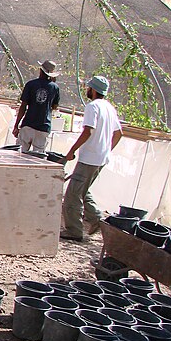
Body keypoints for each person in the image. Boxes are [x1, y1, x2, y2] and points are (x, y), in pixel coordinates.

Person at [61, 75, 122, 241]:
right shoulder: (109, 108)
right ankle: (97, 219)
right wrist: (106, 150)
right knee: (83, 190)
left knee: (72, 195)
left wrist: (72, 150)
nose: (87, 90)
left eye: (89, 87)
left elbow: (88, 130)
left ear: (93, 90)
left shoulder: (93, 106)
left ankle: (74, 230)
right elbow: (119, 133)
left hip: (89, 158)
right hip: (101, 159)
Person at [12, 60, 60, 153]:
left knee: (19, 154)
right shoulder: (55, 88)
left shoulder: (31, 84)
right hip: (43, 127)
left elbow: (23, 106)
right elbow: (54, 107)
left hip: (28, 124)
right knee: (37, 157)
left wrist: (16, 124)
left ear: (41, 70)